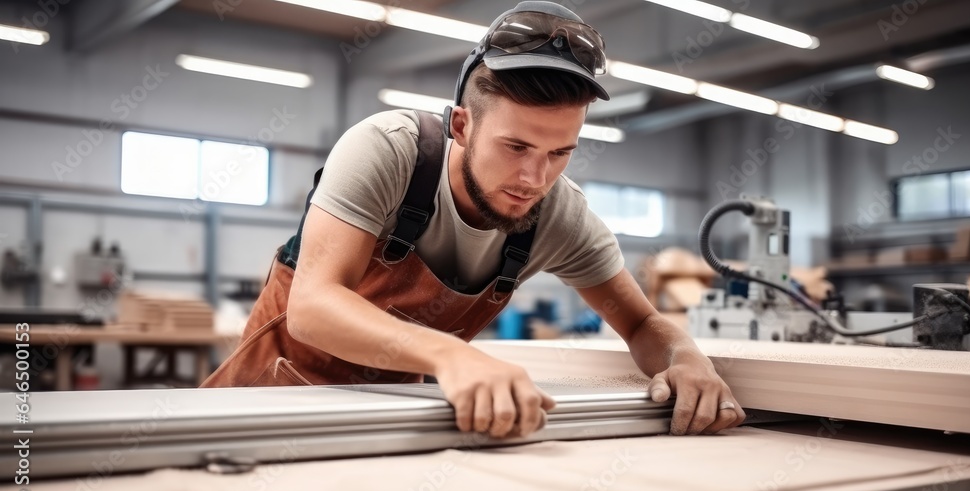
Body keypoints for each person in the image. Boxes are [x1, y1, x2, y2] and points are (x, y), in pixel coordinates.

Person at [201, 1, 745, 440]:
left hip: (390, 424)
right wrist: (451, 355)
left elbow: (641, 324)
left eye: (560, 153)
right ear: (462, 125)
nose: (535, 178)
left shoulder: (560, 215)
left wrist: (685, 357)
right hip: (261, 412)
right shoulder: (391, 153)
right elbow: (313, 308)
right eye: (516, 146)